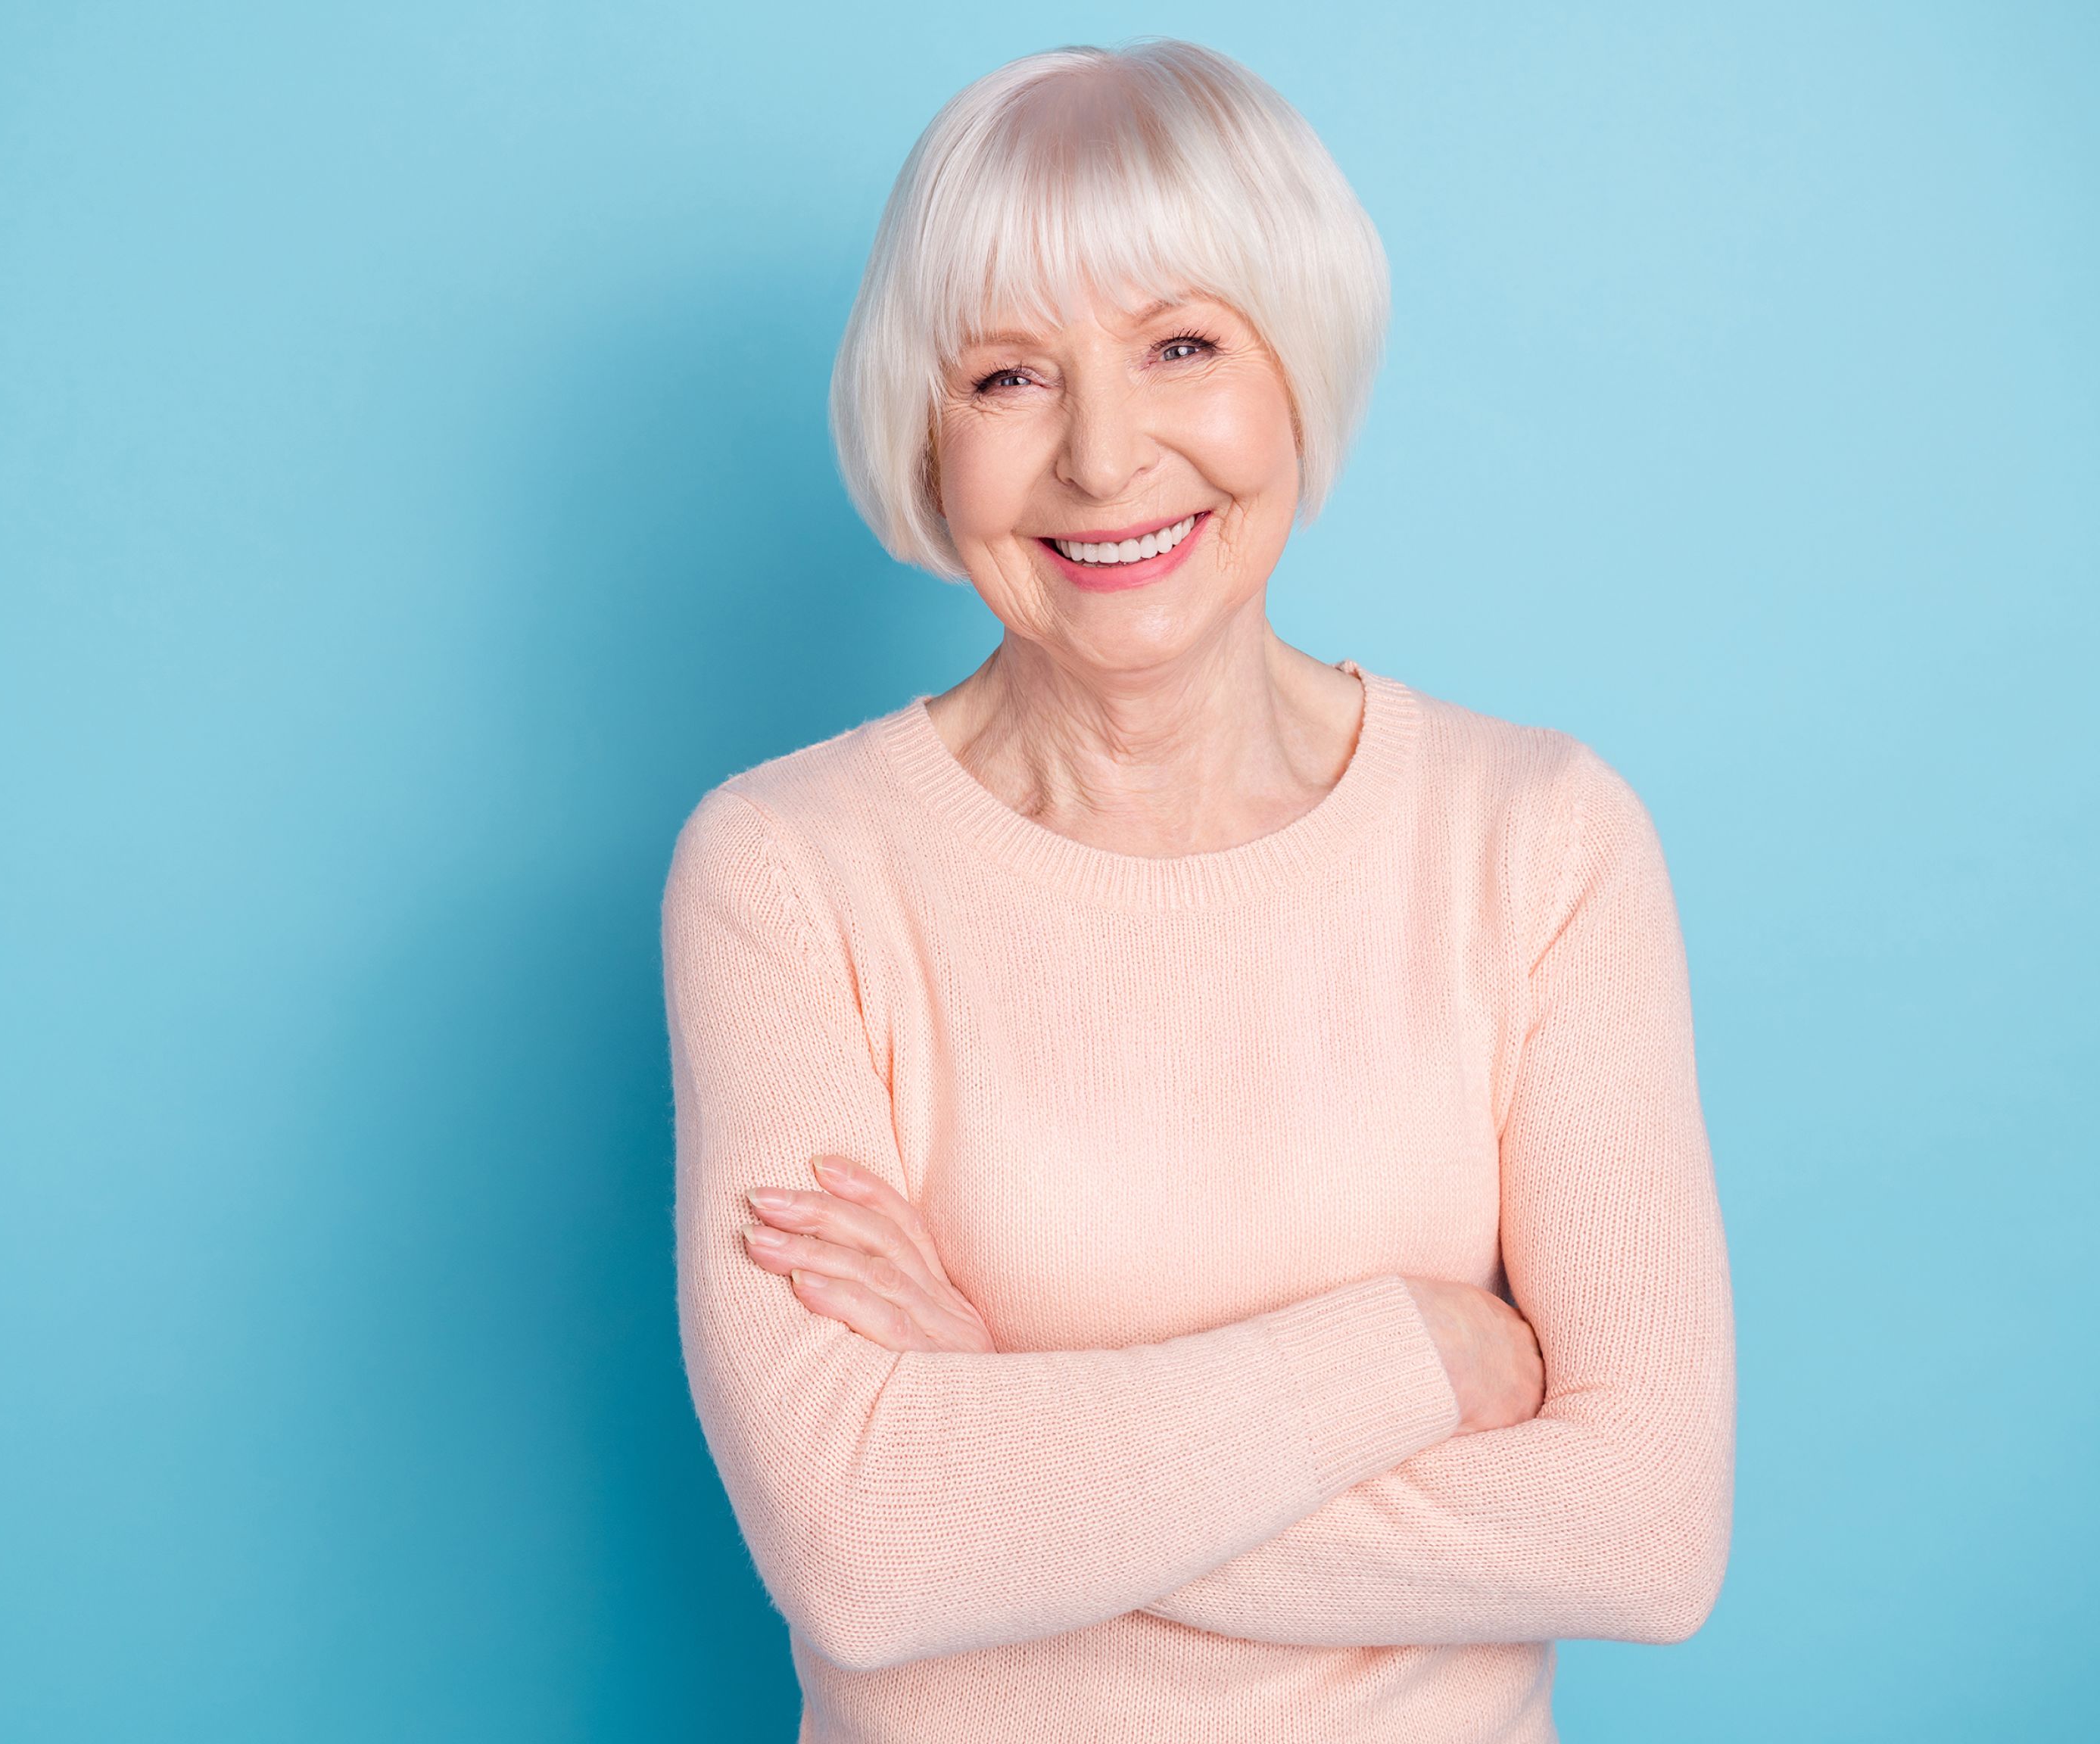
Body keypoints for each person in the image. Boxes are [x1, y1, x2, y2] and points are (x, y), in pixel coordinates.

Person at [659, 40, 1734, 1742]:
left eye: (1179, 345)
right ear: (920, 436)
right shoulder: (785, 868)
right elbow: (863, 1552)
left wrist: (998, 1425)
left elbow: (1643, 1535)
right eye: (1006, 376)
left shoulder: (1537, 839)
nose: (1102, 457)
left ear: (1292, 369)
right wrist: (1415, 1358)